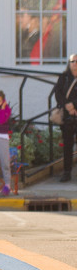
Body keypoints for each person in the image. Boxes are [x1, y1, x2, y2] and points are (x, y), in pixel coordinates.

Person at [54, 53, 77, 182]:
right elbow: (58, 93)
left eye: (76, 61)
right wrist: (67, 105)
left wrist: (73, 105)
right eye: (72, 61)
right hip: (67, 117)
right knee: (67, 145)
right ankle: (67, 172)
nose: (74, 63)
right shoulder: (64, 77)